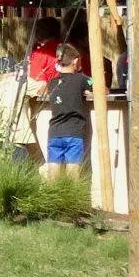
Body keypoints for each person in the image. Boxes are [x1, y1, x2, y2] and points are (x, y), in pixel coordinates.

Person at [43, 44, 92, 177]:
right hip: (74, 134)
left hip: (54, 133)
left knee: (53, 179)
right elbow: (100, 88)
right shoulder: (82, 79)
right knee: (73, 178)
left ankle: (53, 198)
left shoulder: (52, 82)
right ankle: (71, 199)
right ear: (75, 60)